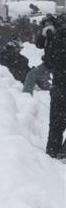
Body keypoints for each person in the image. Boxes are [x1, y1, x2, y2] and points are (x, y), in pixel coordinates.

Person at [37, 14, 66, 158]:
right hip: (60, 84)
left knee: (56, 122)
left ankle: (53, 152)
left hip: (60, 84)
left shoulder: (55, 38)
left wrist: (48, 35)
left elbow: (48, 61)